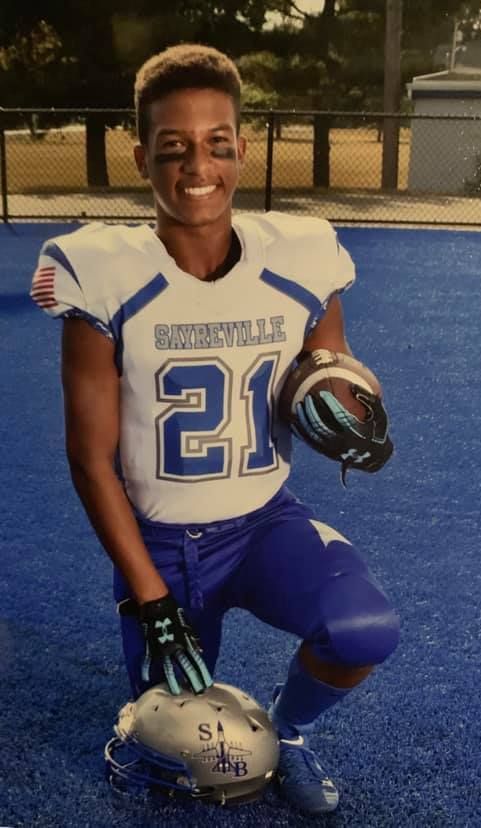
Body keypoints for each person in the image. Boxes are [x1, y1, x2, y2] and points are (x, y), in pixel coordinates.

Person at [30, 43, 399, 815]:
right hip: (162, 541)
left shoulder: (300, 255)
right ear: (141, 157)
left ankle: (290, 731)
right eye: (173, 147)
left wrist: (346, 400)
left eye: (217, 144)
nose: (197, 165)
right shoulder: (103, 271)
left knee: (363, 628)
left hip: (264, 523)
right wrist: (150, 596)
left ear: (240, 148)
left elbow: (328, 362)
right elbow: (90, 458)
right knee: (178, 756)